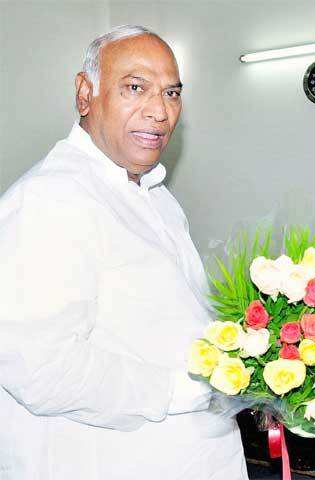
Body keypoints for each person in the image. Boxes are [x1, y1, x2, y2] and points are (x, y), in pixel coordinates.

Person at [0, 25, 248, 480]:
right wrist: (190, 391)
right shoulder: (50, 198)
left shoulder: (156, 196)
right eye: (136, 88)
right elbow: (39, 367)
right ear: (85, 94)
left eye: (172, 93)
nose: (159, 111)